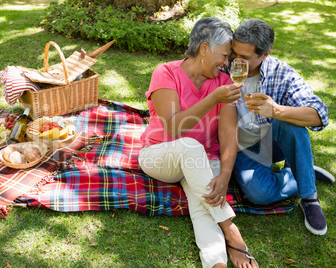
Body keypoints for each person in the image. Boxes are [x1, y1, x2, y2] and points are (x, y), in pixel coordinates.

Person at [138, 17, 259, 268]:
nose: (227, 63)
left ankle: (216, 263)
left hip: (203, 161)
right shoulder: (166, 72)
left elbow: (227, 133)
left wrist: (225, 174)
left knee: (205, 200)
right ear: (204, 48)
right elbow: (174, 126)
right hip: (161, 156)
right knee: (190, 146)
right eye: (224, 55)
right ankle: (231, 230)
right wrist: (214, 98)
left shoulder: (224, 82)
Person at [231, 18, 334, 236]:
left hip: (270, 139)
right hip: (238, 145)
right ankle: (303, 171)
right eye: (234, 53)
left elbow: (319, 114)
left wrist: (276, 110)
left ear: (265, 54)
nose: (236, 60)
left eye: (245, 57)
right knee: (259, 194)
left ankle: (309, 197)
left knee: (291, 124)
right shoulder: (223, 64)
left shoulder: (281, 72)